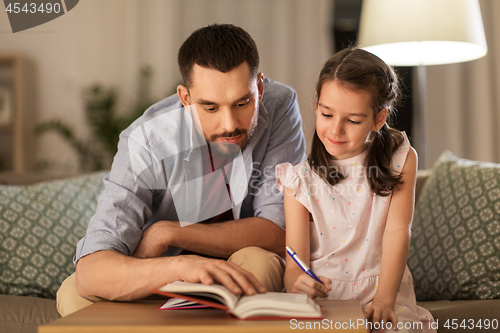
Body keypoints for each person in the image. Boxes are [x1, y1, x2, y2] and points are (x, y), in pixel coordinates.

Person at [56, 23, 306, 316]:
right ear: (185, 98)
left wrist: (170, 233)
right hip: (162, 271)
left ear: (259, 88)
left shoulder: (280, 106)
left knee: (260, 262)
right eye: (210, 108)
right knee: (74, 293)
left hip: (238, 266)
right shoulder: (146, 141)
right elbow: (91, 271)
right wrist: (181, 265)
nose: (229, 124)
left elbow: (277, 231)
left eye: (242, 102)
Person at [275, 48, 436, 333]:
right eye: (326, 114)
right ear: (316, 104)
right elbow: (294, 264)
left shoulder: (400, 158)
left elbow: (398, 231)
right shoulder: (298, 180)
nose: (335, 130)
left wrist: (385, 299)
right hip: (326, 300)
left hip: (383, 291)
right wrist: (296, 282)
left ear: (379, 118)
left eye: (352, 120)